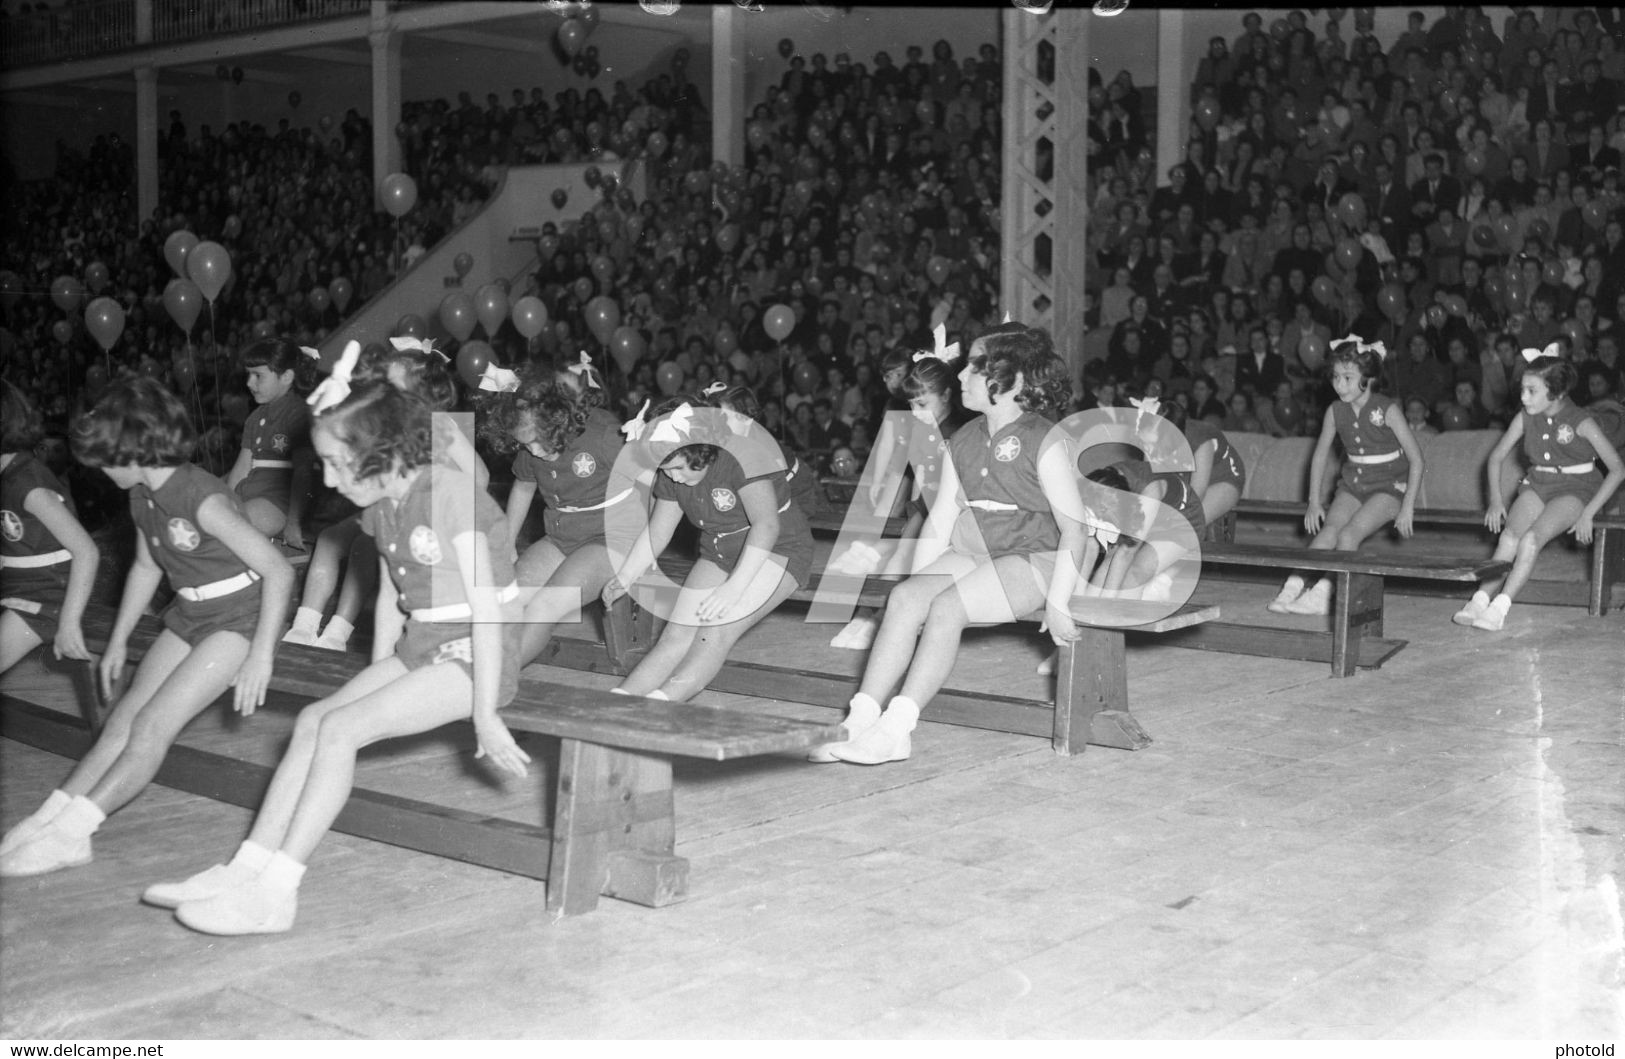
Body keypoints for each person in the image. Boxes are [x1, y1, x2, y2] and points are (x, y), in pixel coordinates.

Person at [154, 380, 528, 935]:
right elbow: (391, 604)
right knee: (312, 721)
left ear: (377, 450)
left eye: (335, 463)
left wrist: (484, 713)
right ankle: (245, 868)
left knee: (340, 731)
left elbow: (488, 610)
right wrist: (381, 674)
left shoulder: (452, 495)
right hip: (422, 646)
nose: (326, 479)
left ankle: (277, 893)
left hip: (478, 650)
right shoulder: (384, 507)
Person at [0, 378, 293, 877]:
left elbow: (279, 571)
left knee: (154, 726)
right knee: (122, 720)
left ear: (135, 450)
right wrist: (117, 641)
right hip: (190, 613)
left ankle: (75, 833)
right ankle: (51, 816)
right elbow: (145, 568)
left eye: (106, 458)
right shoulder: (141, 495)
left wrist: (261, 654)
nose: (99, 468)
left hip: (239, 617)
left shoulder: (203, 499)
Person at [819, 323, 1089, 765]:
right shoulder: (962, 439)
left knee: (947, 607)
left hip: (1031, 558)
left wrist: (1059, 601)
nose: (960, 376)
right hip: (974, 553)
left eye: (973, 368)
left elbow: (1074, 530)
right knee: (905, 599)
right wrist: (916, 585)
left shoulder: (1046, 439)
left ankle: (896, 728)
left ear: (1011, 379)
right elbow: (941, 518)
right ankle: (859, 719)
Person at [601, 396, 814, 703]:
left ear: (698, 452)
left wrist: (734, 588)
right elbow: (659, 530)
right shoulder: (672, 470)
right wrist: (626, 575)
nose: (672, 476)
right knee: (675, 636)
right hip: (719, 549)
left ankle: (662, 704)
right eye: (665, 469)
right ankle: (619, 701)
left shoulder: (743, 456)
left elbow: (766, 526)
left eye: (676, 468)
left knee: (715, 631)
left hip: (777, 548)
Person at [1453, 352, 1624, 630]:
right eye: (1522, 389)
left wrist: (1589, 513)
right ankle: (1479, 600)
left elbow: (1617, 469)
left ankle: (1500, 608)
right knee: (1509, 536)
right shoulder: (1525, 417)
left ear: (1555, 393)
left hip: (1576, 489)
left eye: (1532, 391)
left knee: (1531, 540)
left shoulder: (1581, 421)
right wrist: (1496, 501)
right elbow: (1495, 457)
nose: (1523, 397)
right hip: (1539, 483)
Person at [484, 362, 627, 668]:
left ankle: (493, 679)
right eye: (524, 444)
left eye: (537, 441)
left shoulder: (605, 435)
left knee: (544, 607)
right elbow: (523, 485)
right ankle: (474, 669)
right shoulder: (530, 441)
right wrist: (507, 543)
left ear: (558, 419)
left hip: (611, 539)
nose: (533, 451)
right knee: (507, 598)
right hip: (564, 536)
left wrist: (644, 552)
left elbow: (653, 485)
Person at [1267, 338, 1425, 615]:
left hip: (1390, 488)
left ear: (1369, 378)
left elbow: (1417, 459)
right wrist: (1314, 502)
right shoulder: (1335, 411)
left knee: (1349, 534)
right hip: (1353, 484)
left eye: (1348, 378)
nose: (1340, 385)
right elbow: (1318, 457)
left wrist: (1408, 506)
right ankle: (1293, 586)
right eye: (1336, 377)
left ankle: (1325, 593)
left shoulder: (1386, 409)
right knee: (1329, 531)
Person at [0, 380, 99, 678]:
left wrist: (68, 621)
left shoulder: (27, 483)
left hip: (46, 600)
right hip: (19, 591)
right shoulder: (7, 476)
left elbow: (86, 551)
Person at [224, 338, 318, 544]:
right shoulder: (255, 417)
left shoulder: (299, 414)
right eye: (249, 375)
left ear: (286, 377)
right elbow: (241, 468)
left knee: (230, 527)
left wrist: (294, 521)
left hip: (278, 503)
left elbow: (303, 473)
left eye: (258, 376)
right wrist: (226, 500)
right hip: (250, 493)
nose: (249, 383)